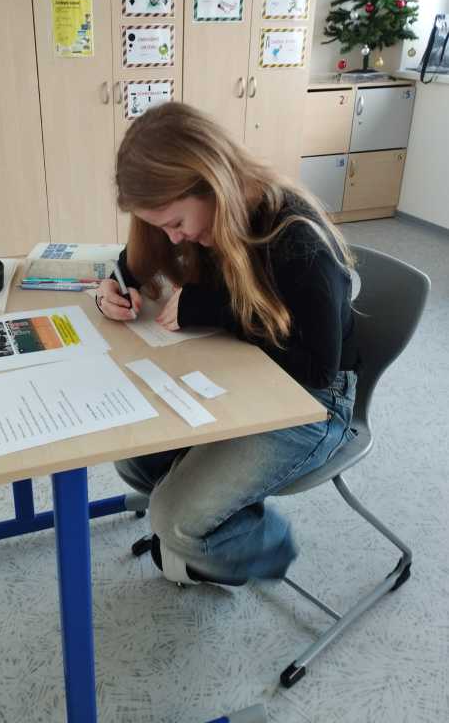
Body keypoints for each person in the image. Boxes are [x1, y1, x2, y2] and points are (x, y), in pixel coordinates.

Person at [95, 102, 359, 587]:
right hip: (246, 371)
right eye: (161, 227)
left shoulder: (298, 241)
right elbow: (134, 261)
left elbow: (317, 369)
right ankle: (213, 514)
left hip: (313, 404)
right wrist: (114, 286)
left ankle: (267, 546)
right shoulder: (200, 216)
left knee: (171, 517)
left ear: (211, 183)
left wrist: (214, 309)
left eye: (176, 223)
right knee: (135, 457)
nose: (174, 237)